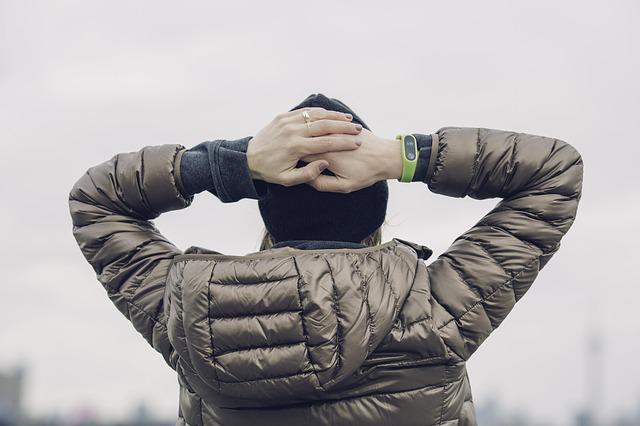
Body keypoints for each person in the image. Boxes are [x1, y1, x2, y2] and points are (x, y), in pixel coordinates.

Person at [68, 93, 584, 426]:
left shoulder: (188, 313)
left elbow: (97, 200)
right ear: (372, 209)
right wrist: (402, 157)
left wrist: (231, 163)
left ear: (271, 218)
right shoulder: (433, 311)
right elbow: (554, 172)